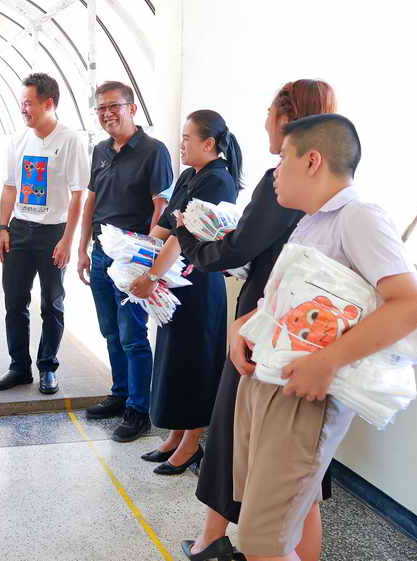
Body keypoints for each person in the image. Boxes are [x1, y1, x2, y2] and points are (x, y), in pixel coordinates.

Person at [232, 114, 417, 561]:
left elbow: (411, 306)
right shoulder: (311, 222)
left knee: (262, 539)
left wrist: (327, 361)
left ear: (312, 161)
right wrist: (243, 324)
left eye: (283, 158)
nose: (275, 170)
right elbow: (295, 301)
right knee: (292, 512)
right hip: (272, 380)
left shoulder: (359, 217)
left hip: (303, 395)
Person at [175, 80, 337, 561]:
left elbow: (240, 246)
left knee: (240, 434)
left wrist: (190, 239)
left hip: (267, 328)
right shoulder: (329, 194)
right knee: (299, 462)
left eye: (270, 111)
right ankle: (214, 538)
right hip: (297, 325)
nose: (265, 120)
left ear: (288, 121)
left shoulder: (285, 182)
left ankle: (213, 541)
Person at [131, 110, 242, 475]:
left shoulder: (218, 181)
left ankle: (192, 443)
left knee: (196, 363)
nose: (181, 144)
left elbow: (185, 236)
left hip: (198, 286)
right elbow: (167, 225)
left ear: (208, 143)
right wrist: (135, 254)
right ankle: (176, 435)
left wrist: (152, 274)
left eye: (186, 138)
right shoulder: (189, 175)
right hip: (175, 283)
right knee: (175, 359)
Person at [77, 80, 173, 442]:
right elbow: (91, 201)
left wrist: (147, 261)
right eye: (101, 108)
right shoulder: (100, 150)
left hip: (132, 258)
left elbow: (161, 208)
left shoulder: (154, 151)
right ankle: (119, 394)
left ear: (131, 108)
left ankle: (138, 410)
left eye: (113, 106)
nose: (107, 114)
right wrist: (82, 248)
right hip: (102, 253)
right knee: (110, 331)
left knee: (133, 335)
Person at [0, 73, 90, 395]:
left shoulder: (70, 140)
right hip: (19, 229)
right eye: (21, 104)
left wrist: (67, 240)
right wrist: (2, 228)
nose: (23, 110)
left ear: (48, 103)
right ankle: (18, 367)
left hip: (53, 233)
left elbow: (78, 194)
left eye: (28, 103)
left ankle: (48, 367)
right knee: (15, 302)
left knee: (52, 303)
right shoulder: (18, 140)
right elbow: (9, 187)